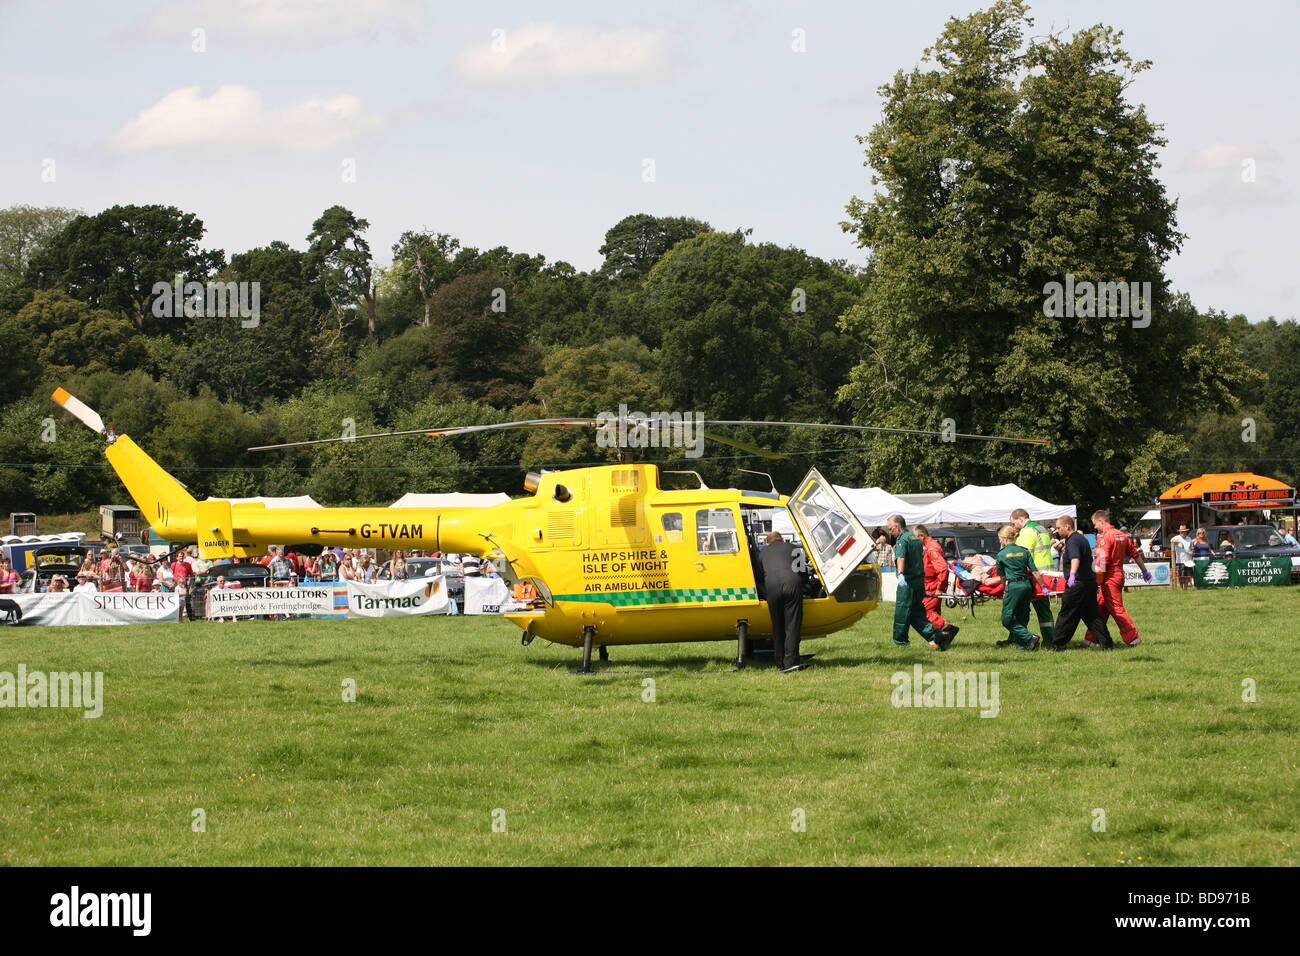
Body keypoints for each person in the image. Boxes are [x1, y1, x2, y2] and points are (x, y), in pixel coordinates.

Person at [887, 515, 954, 650]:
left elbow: (900, 558)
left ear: (897, 527)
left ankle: (900, 642)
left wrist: (900, 574)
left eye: (890, 529)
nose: (890, 532)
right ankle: (938, 636)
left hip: (908, 583)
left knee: (902, 612)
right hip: (919, 582)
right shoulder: (915, 539)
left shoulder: (902, 540)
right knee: (917, 613)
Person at [1050, 516, 1114, 650]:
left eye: (1059, 528)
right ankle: (1107, 644)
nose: (1057, 531)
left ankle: (1058, 644)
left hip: (1078, 583)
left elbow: (1075, 558)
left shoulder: (1073, 541)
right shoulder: (1081, 539)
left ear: (1068, 526)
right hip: (1089, 582)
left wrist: (1072, 575)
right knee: (1092, 616)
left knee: (1067, 614)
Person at [1091, 509, 1148, 647]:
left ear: (1101, 521)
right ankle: (1090, 640)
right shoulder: (1122, 535)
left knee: (1116, 609)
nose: (1094, 527)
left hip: (1109, 578)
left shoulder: (1104, 537)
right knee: (1101, 609)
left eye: (1095, 524)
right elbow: (1135, 554)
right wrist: (1145, 571)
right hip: (1119, 575)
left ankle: (1134, 639)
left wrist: (1097, 582)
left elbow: (1101, 562)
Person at [758, 530, 806, 672]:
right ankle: (791, 662)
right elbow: (803, 572)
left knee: (777, 625)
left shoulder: (762, 553)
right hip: (792, 584)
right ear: (782, 539)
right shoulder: (793, 548)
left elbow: (760, 576)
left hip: (771, 586)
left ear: (767, 542)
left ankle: (779, 661)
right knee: (792, 625)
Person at [1011, 508, 1056, 647]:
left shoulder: (1026, 532)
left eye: (1014, 523)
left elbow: (1020, 554)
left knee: (1020, 609)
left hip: (1034, 576)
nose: (1013, 526)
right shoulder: (1041, 528)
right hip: (1047, 574)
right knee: (1044, 612)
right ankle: (1050, 639)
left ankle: (1022, 640)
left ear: (1020, 519)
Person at [994, 524, 1043, 650]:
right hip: (1027, 586)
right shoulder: (1024, 551)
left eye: (1000, 538)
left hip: (1013, 586)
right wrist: (1043, 587)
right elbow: (1035, 572)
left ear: (1004, 538)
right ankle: (1022, 645)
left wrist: (1005, 589)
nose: (999, 541)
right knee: (1022, 615)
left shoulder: (1001, 554)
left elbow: (1002, 577)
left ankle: (1029, 637)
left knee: (1007, 618)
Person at [915, 525, 958, 648]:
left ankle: (949, 629)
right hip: (931, 583)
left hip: (932, 585)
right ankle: (938, 640)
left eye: (916, 538)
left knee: (924, 612)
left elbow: (943, 568)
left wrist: (939, 588)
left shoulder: (931, 549)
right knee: (934, 613)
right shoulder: (930, 546)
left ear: (922, 536)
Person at [1169, 524, 1193, 590]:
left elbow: (1192, 548)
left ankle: (1185, 587)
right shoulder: (1177, 537)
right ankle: (1181, 588)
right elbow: (1171, 540)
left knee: (1187, 575)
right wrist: (1179, 542)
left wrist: (1192, 551)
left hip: (1188, 560)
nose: (1183, 533)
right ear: (1180, 532)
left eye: (1184, 531)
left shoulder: (1189, 538)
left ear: (1186, 532)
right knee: (1181, 575)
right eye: (1182, 532)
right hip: (1180, 560)